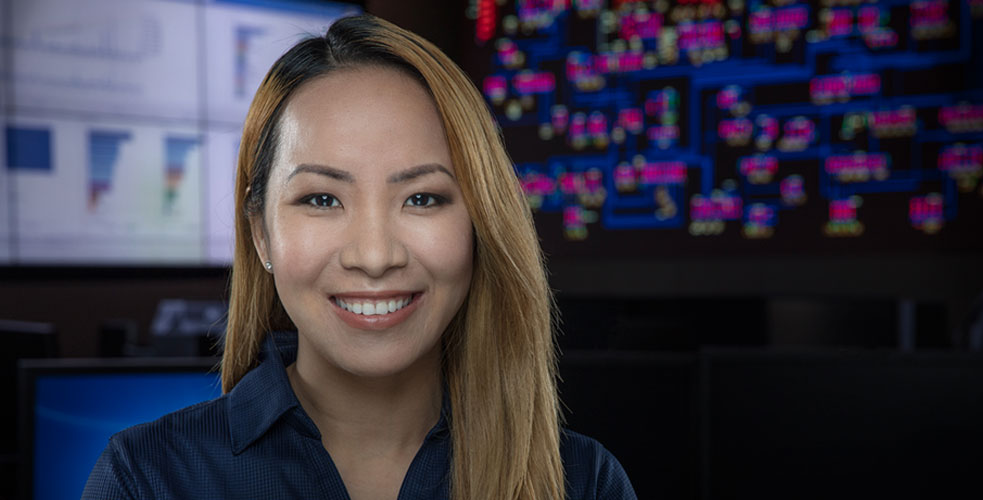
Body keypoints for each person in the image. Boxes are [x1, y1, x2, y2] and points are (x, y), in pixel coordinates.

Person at [81, 14, 636, 500]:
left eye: (422, 198)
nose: (374, 256)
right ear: (261, 236)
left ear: (479, 225)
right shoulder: (150, 478)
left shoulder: (582, 481)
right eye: (322, 199)